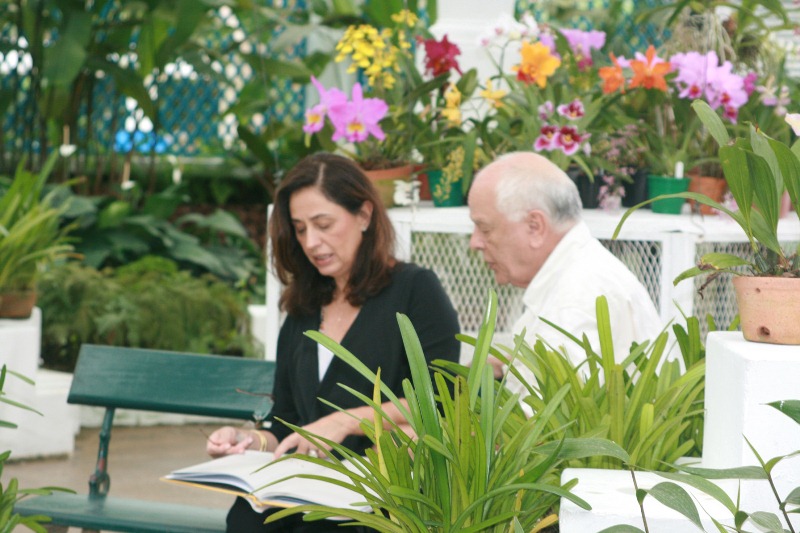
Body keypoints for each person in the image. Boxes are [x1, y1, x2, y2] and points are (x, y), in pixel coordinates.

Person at [206, 152, 460, 532]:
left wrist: (345, 422)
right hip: (301, 492)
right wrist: (247, 440)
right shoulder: (303, 307)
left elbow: (442, 401)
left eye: (324, 224)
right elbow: (287, 423)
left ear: (364, 215)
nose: (311, 241)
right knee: (245, 519)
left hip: (381, 495)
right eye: (300, 228)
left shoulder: (414, 290)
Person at [467, 151, 662, 402]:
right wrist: (506, 363)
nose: (475, 242)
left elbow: (538, 435)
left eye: (485, 228)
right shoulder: (579, 273)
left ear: (535, 227)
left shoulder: (576, 301)